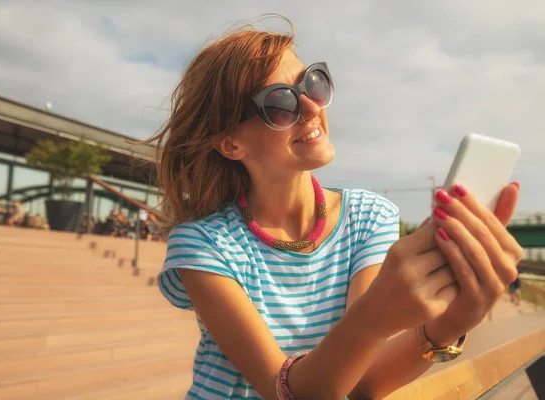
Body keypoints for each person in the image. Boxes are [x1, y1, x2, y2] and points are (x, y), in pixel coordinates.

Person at [145, 17, 523, 399]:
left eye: (313, 83)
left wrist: (448, 326)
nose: (311, 107)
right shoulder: (203, 243)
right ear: (230, 145)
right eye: (279, 103)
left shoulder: (368, 217)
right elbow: (287, 392)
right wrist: (376, 314)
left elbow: (361, 382)